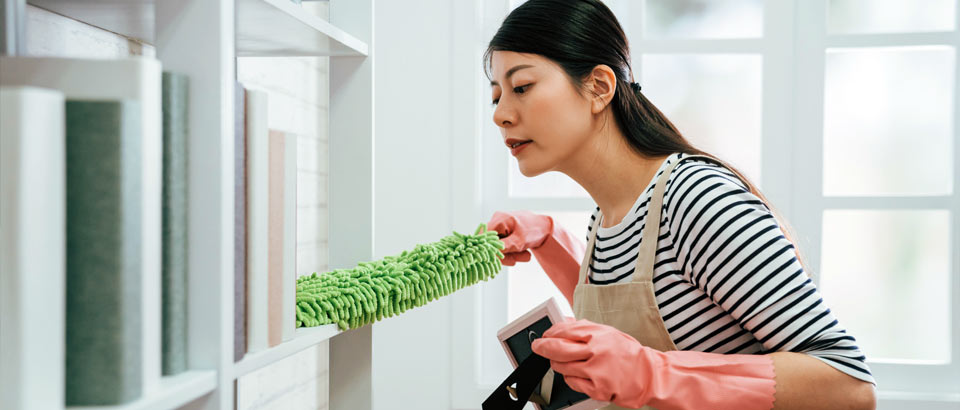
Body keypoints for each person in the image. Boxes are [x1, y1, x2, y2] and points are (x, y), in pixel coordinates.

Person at [484, 1, 877, 409]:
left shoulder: (695, 199)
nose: (499, 115)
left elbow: (848, 386)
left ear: (599, 87)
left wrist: (653, 372)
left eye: (522, 87)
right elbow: (631, 328)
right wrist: (549, 238)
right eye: (495, 97)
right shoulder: (607, 218)